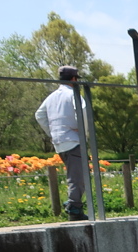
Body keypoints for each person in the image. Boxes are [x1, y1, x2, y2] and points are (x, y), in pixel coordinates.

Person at [35, 65, 88, 221]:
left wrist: (52, 132)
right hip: (73, 140)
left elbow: (39, 115)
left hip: (59, 142)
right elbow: (82, 111)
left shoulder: (51, 97)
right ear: (73, 79)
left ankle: (74, 205)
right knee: (77, 176)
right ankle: (74, 209)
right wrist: (82, 131)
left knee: (74, 174)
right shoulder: (73, 94)